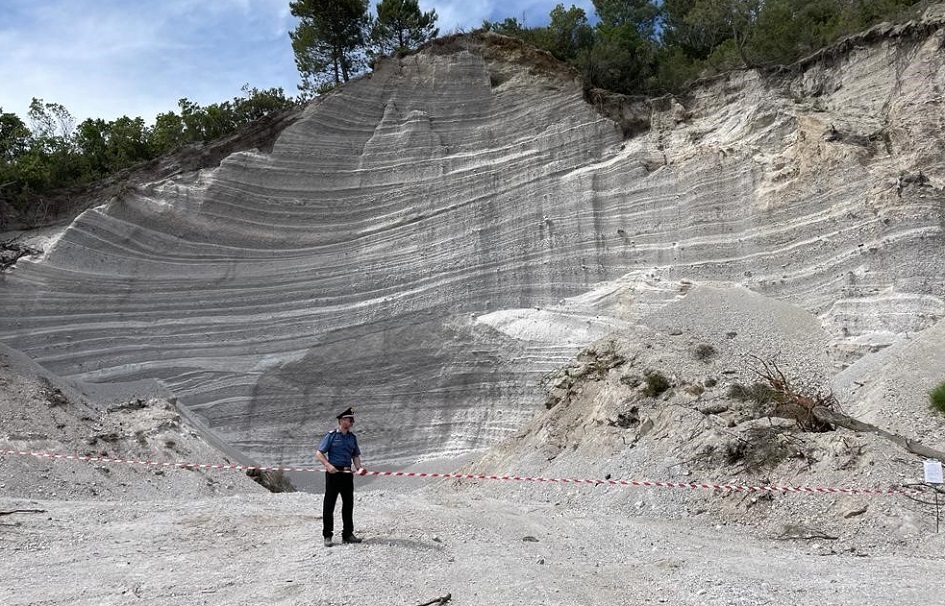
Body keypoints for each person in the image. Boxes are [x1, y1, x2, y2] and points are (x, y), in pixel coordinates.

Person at [315, 407, 366, 547]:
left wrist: (359, 468)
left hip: (347, 474)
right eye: (349, 420)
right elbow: (319, 453)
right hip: (333, 473)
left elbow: (355, 455)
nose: (351, 422)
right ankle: (327, 535)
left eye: (352, 420)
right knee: (329, 504)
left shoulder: (352, 438)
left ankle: (348, 534)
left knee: (348, 504)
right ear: (342, 420)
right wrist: (327, 465)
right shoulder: (331, 436)